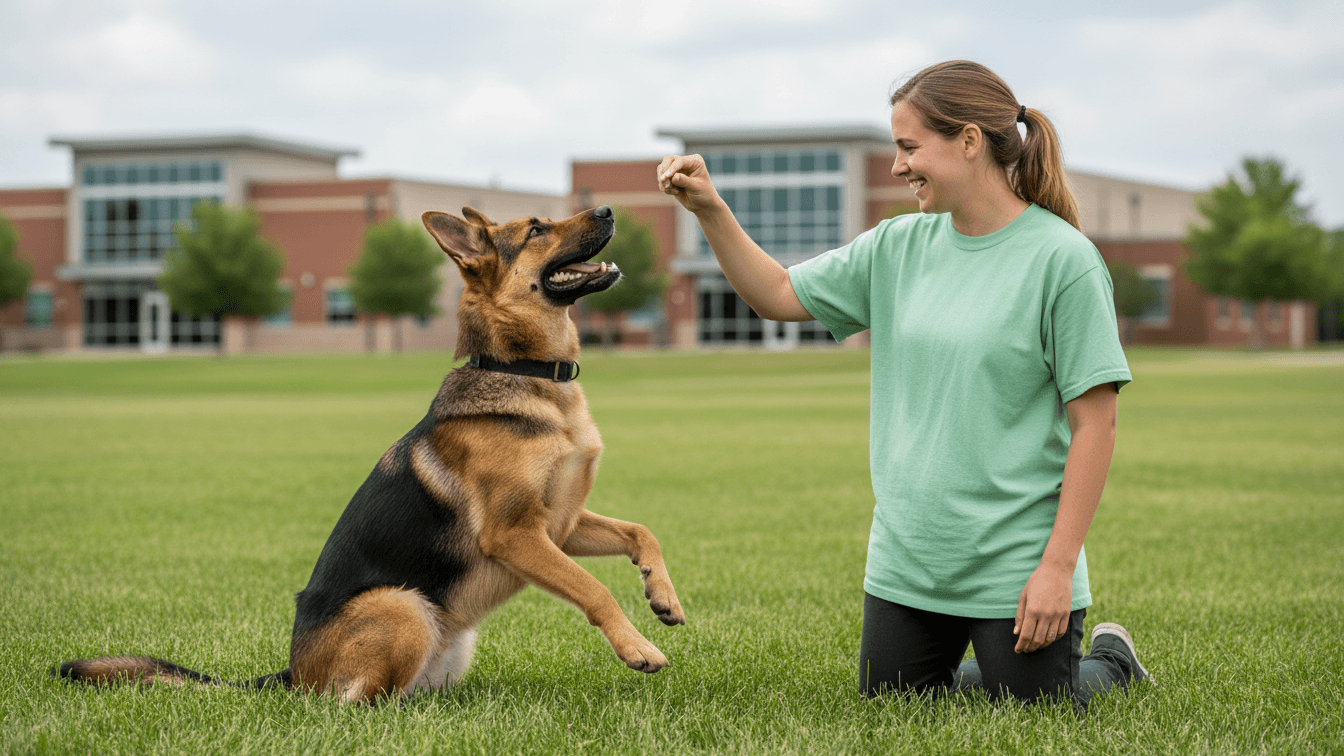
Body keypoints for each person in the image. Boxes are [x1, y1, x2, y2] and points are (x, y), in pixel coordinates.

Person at [656, 60, 1151, 708]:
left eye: (909, 147)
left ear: (968, 141)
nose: (897, 167)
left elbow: (1096, 424)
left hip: (1016, 560)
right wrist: (710, 209)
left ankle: (1110, 662)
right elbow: (776, 293)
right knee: (896, 705)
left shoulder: (1064, 260)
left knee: (1031, 712)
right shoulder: (895, 247)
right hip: (909, 560)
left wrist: (1057, 568)